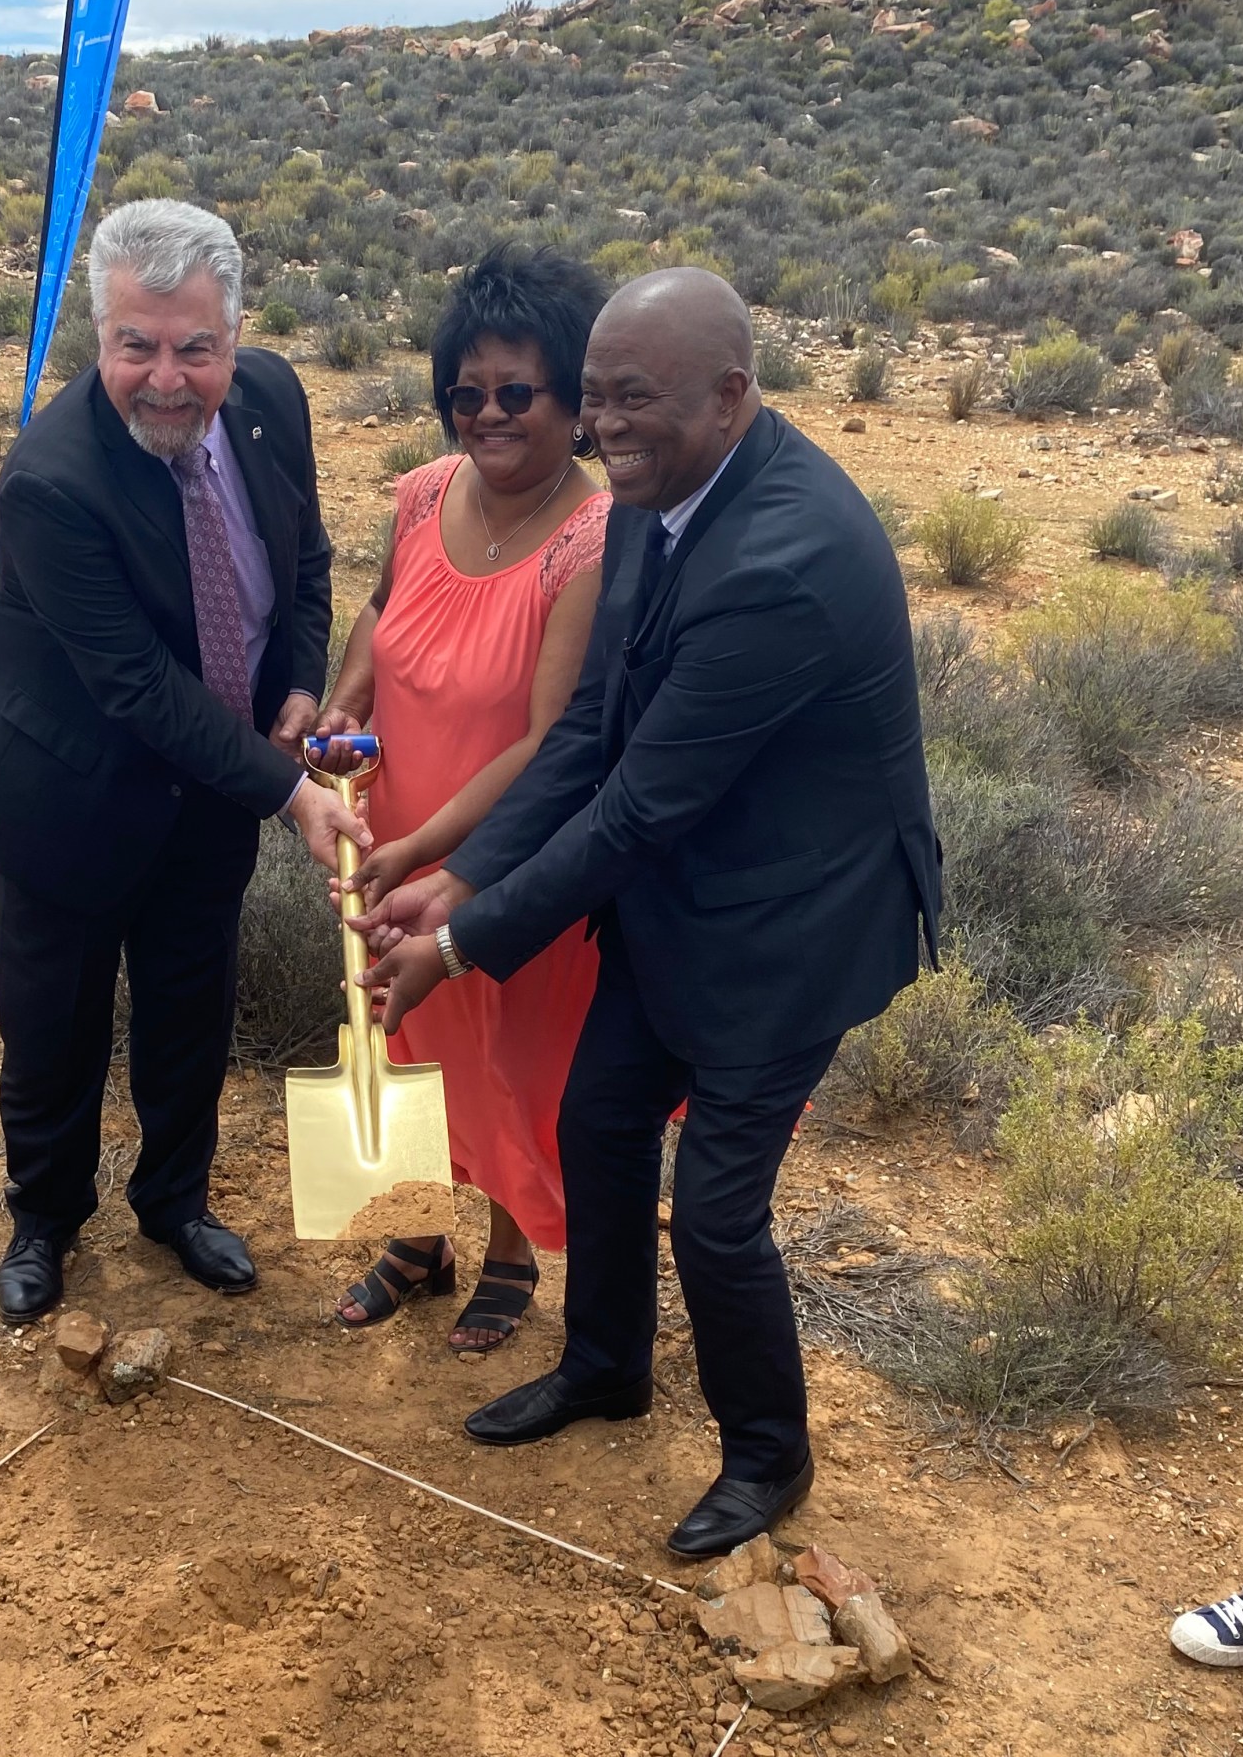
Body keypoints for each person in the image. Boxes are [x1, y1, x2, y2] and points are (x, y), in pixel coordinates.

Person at [354, 267, 941, 1561]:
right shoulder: (654, 497)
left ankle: (766, 1454)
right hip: (680, 903)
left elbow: (637, 810)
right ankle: (607, 1363)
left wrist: (457, 943)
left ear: (733, 394)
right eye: (599, 397)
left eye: (637, 400)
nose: (606, 425)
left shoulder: (782, 560)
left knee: (720, 1209)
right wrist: (469, 871)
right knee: (599, 1120)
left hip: (788, 934)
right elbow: (592, 742)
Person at [0, 198, 367, 1325]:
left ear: (236, 336)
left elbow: (308, 559)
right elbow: (134, 686)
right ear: (101, 339)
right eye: (138, 345)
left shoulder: (273, 401)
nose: (168, 378)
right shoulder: (53, 478)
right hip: (68, 794)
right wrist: (287, 790)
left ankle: (175, 1203)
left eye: (196, 347)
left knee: (192, 1003)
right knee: (55, 1023)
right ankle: (45, 1219)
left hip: (209, 788)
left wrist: (296, 682)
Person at [313, 247, 611, 1350]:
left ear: (572, 399)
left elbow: (547, 743)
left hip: (500, 855)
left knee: (508, 1055)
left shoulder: (591, 540)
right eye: (466, 394)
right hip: (389, 829)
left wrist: (428, 850)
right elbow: (381, 615)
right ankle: (415, 1232)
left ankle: (512, 1250)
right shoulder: (425, 494)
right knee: (398, 1032)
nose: (488, 416)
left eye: (517, 393)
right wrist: (346, 697)